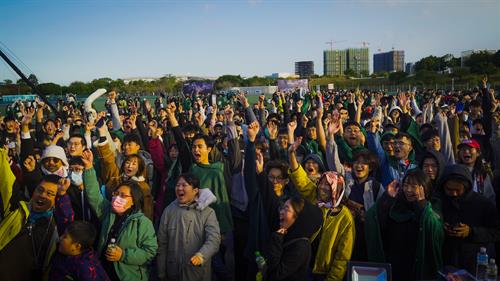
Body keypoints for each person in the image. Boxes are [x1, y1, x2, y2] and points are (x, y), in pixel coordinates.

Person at [81, 149, 158, 281]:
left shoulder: (142, 222)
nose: (117, 198)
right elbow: (94, 195)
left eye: (123, 196)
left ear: (133, 200)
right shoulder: (108, 212)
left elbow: (150, 252)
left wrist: (123, 255)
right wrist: (89, 168)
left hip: (128, 275)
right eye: (116, 194)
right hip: (103, 272)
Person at [365, 168, 444, 281]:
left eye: (413, 186)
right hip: (395, 267)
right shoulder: (397, 204)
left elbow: (436, 232)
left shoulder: (433, 207)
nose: (408, 190)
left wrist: (421, 204)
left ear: (423, 188)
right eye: (406, 185)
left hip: (416, 269)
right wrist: (387, 197)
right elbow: (374, 218)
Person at [157, 173, 221, 281]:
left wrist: (201, 255)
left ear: (195, 190)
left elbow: (214, 240)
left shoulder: (208, 213)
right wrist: (161, 273)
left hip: (197, 273)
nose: (179, 188)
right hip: (173, 272)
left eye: (184, 185)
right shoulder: (169, 210)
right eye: (177, 185)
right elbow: (162, 244)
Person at [438, 164, 500, 274]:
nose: (454, 193)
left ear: (466, 187)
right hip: (447, 263)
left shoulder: (482, 203)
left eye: (458, 190)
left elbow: (496, 231)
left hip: (474, 264)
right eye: (449, 189)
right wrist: (441, 227)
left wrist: (471, 232)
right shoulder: (439, 201)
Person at [266, 196, 323, 281]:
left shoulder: (301, 247)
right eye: (282, 208)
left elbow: (275, 274)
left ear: (298, 218)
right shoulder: (288, 235)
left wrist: (276, 240)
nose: (281, 212)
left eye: (286, 209)